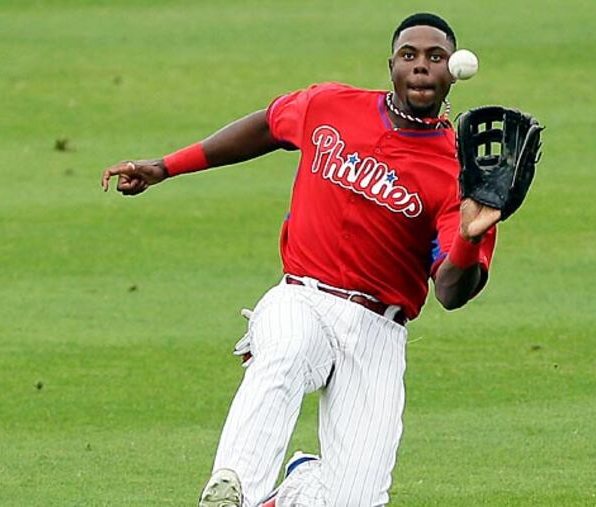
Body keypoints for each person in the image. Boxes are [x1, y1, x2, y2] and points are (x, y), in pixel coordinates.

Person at [102, 12, 501, 507]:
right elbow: (266, 126)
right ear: (391, 66)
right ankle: (235, 488)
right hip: (301, 300)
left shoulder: (459, 175)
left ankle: (294, 487)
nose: (421, 67)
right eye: (409, 55)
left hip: (378, 332)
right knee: (285, 352)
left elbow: (450, 291)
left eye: (435, 57)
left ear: (450, 73)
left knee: (355, 499)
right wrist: (166, 166)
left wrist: (467, 236)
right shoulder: (330, 105)